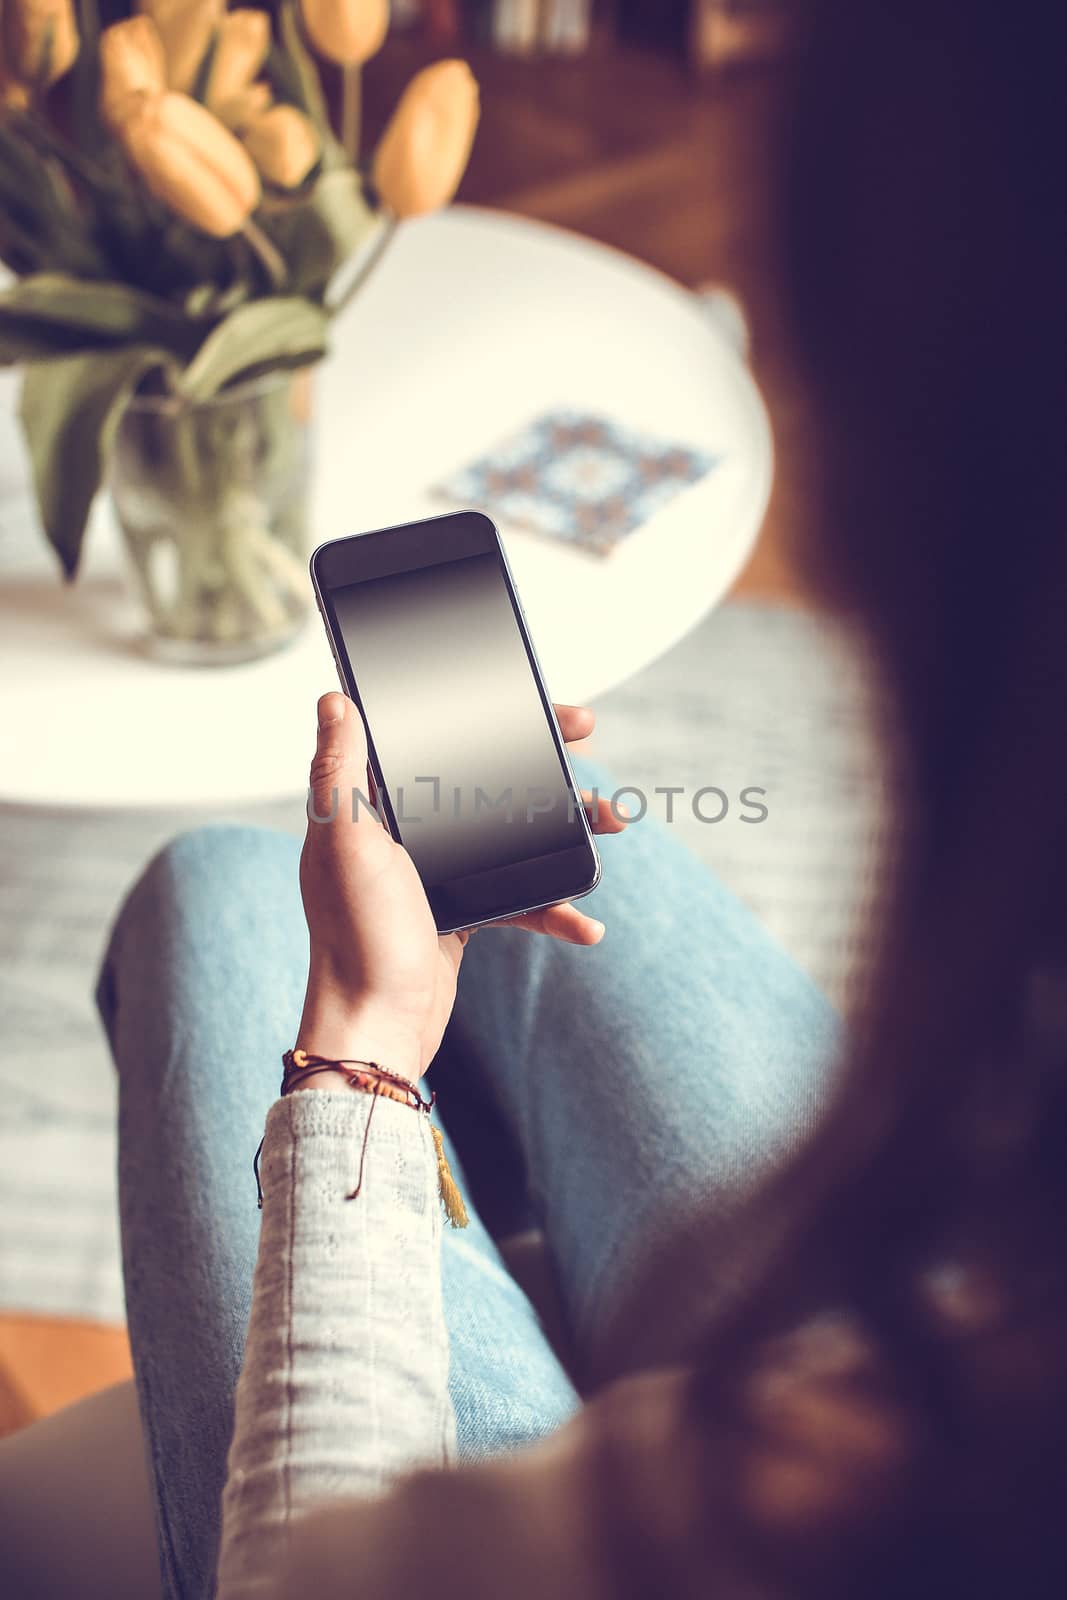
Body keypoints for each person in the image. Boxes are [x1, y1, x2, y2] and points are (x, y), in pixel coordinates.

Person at [4, 0, 1067, 1593]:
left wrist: (358, 1048)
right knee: (527, 816)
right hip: (938, 1295)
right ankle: (493, 1163)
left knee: (221, 891)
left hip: (764, 1417)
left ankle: (446, 1146)